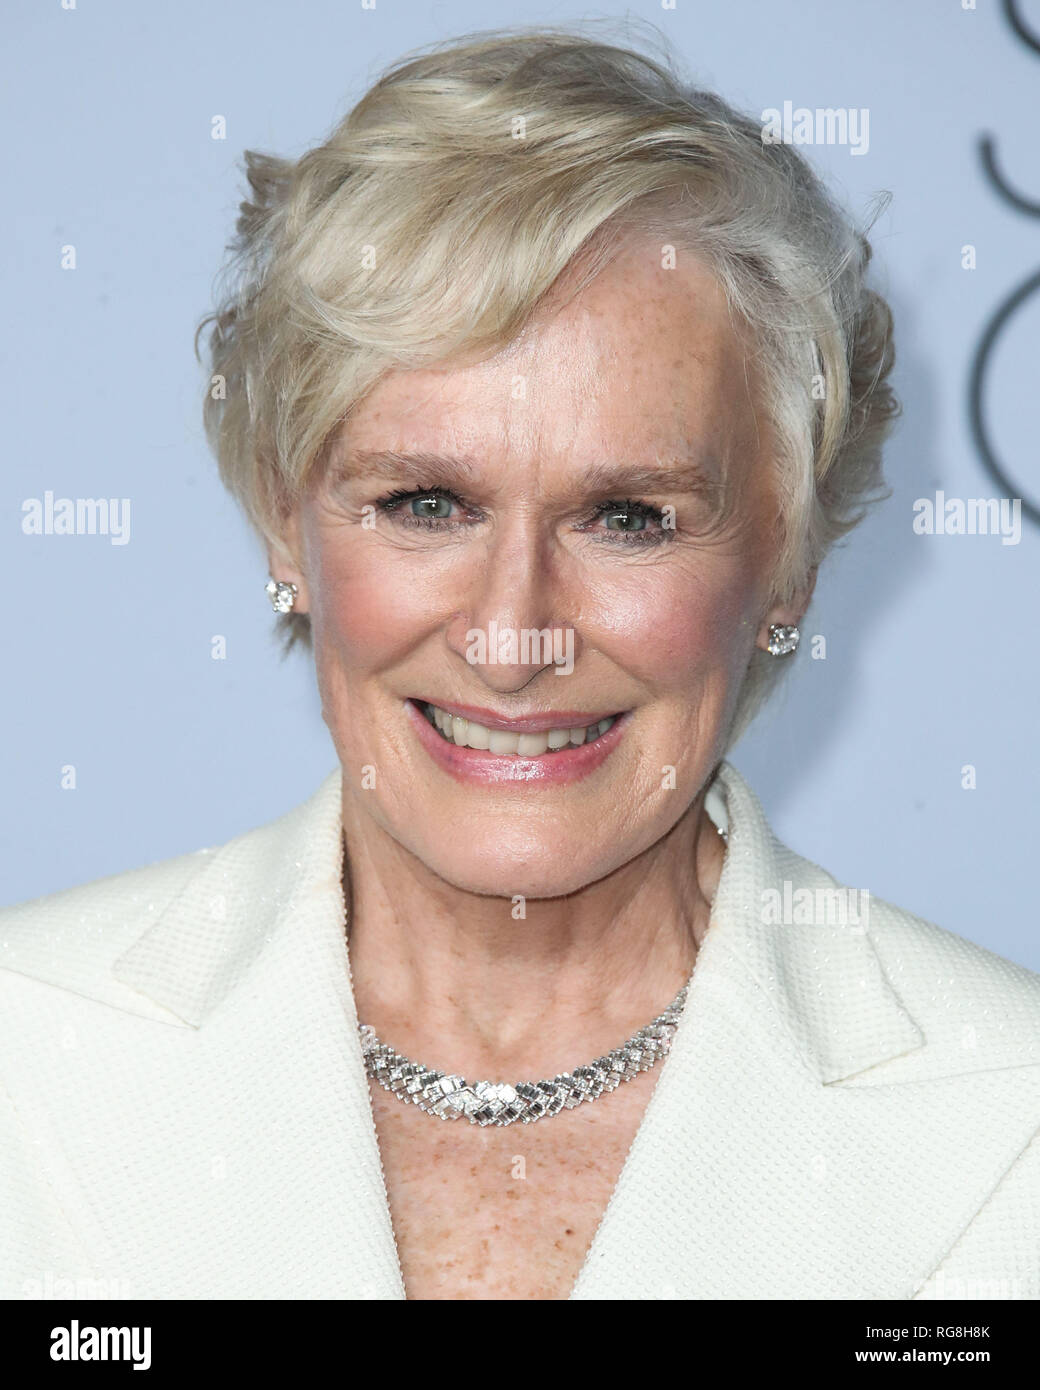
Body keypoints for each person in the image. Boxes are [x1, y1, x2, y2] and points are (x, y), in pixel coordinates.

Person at [2, 27, 1038, 1302]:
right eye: (425, 503)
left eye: (627, 517)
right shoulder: (23, 1048)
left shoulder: (1010, 1126)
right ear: (284, 521)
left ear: (786, 562)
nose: (511, 636)